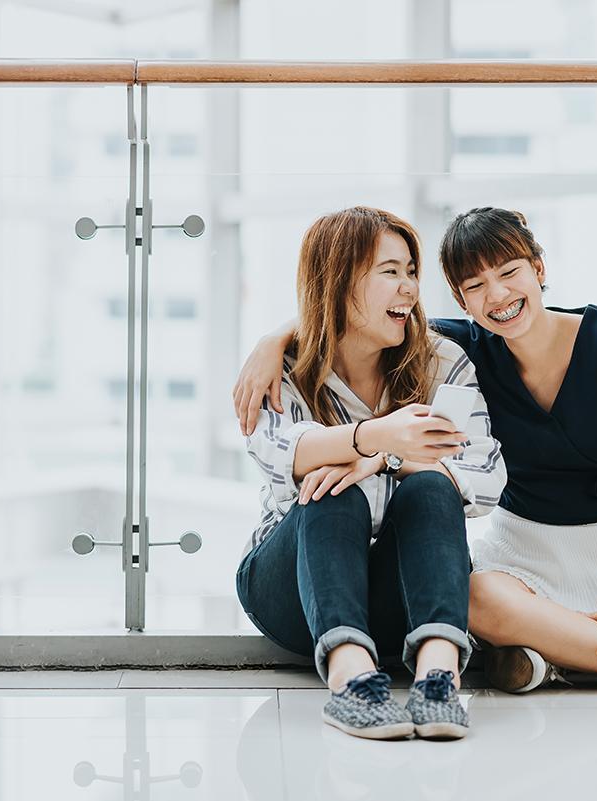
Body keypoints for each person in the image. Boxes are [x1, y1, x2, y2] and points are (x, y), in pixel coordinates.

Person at [235, 207, 597, 696]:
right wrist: (274, 341)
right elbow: (345, 316)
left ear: (539, 269)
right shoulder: (466, 346)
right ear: (462, 299)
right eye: (475, 286)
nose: (498, 296)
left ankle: (560, 652)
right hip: (520, 559)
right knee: (477, 596)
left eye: (510, 273)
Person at [238, 206, 506, 741]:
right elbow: (281, 452)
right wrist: (375, 436)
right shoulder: (282, 368)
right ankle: (351, 683)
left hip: (399, 595)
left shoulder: (440, 361)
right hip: (293, 590)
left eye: (412, 271)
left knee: (432, 485)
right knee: (329, 484)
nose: (409, 287)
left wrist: (387, 458)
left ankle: (438, 679)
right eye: (390, 272)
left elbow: (485, 475)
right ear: (339, 282)